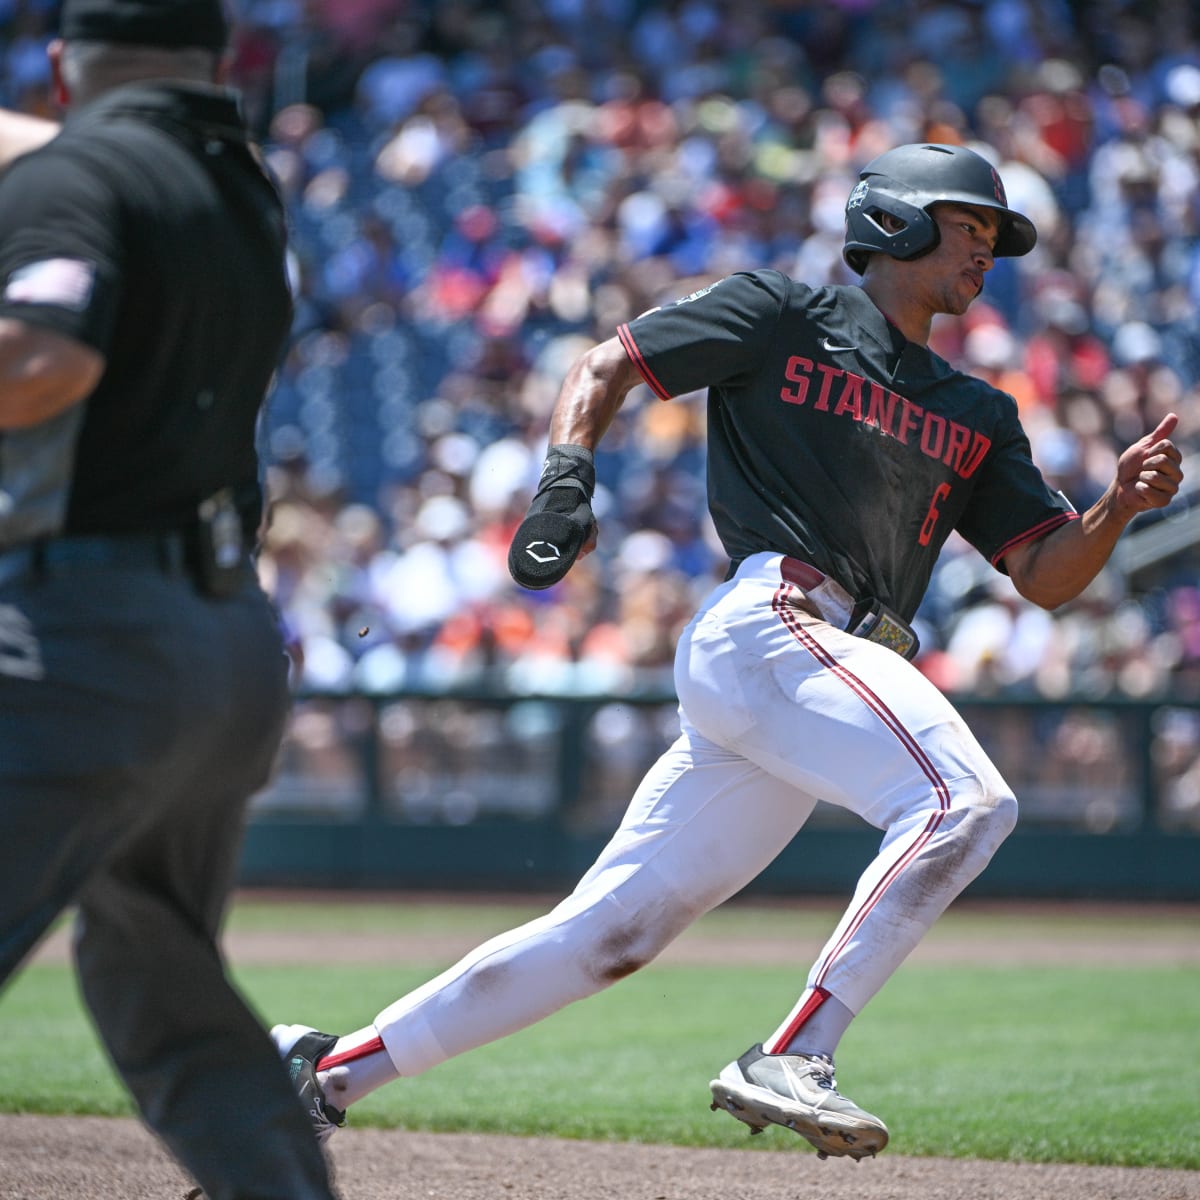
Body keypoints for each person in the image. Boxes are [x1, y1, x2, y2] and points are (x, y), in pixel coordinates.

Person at [273, 142, 1184, 1160]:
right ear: (896, 221)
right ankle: (793, 1054)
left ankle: (323, 1071)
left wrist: (1117, 505)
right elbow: (606, 362)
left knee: (608, 935)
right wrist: (565, 481)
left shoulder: (977, 411)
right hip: (772, 623)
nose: (988, 253)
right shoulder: (783, 314)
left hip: (810, 667)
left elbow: (1049, 574)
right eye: (972, 227)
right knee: (964, 801)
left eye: (994, 240)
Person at [0, 2, 339, 1198]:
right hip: (222, 644)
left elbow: (42, 357)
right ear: (218, 60)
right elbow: (100, 161)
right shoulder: (237, 190)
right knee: (169, 1001)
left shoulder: (83, 171)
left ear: (58, 64)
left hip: (85, 636)